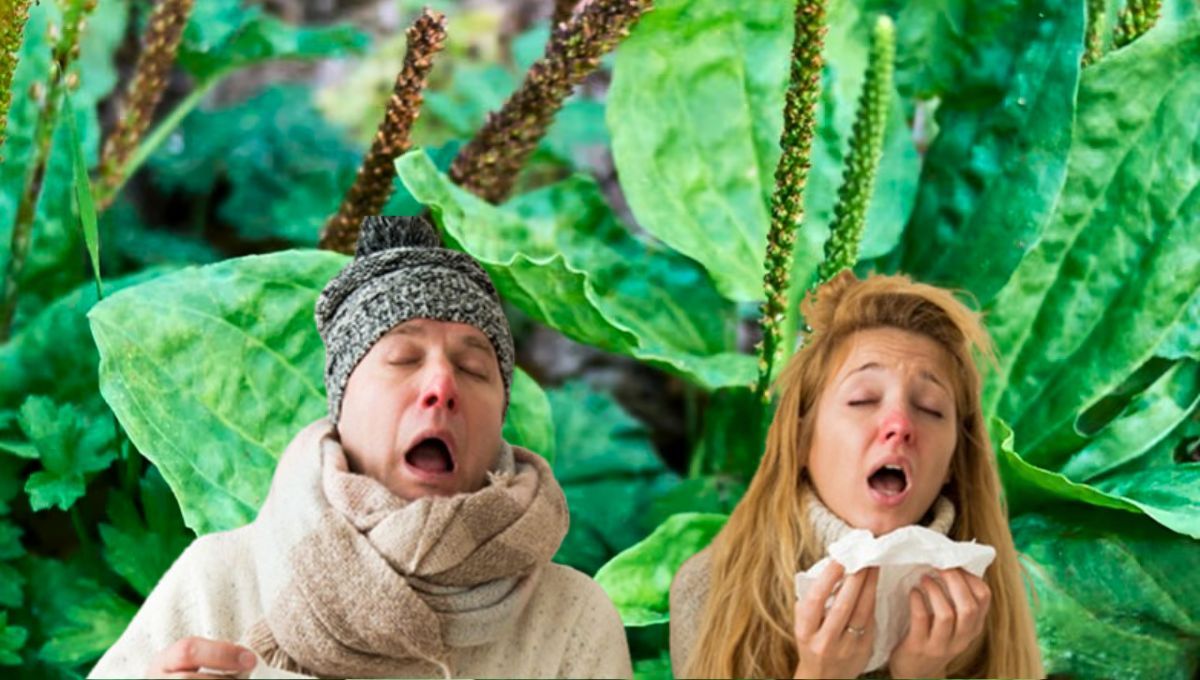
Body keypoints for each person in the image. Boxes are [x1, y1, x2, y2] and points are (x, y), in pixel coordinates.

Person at [89, 215, 633, 679]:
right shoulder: (222, 581)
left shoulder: (572, 620)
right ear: (340, 405)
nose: (441, 387)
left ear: (501, 420)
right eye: (402, 359)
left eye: (473, 368)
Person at [669, 271, 1043, 679]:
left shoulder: (989, 602)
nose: (899, 423)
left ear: (955, 461)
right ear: (800, 438)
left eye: (931, 408)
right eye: (862, 399)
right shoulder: (710, 591)